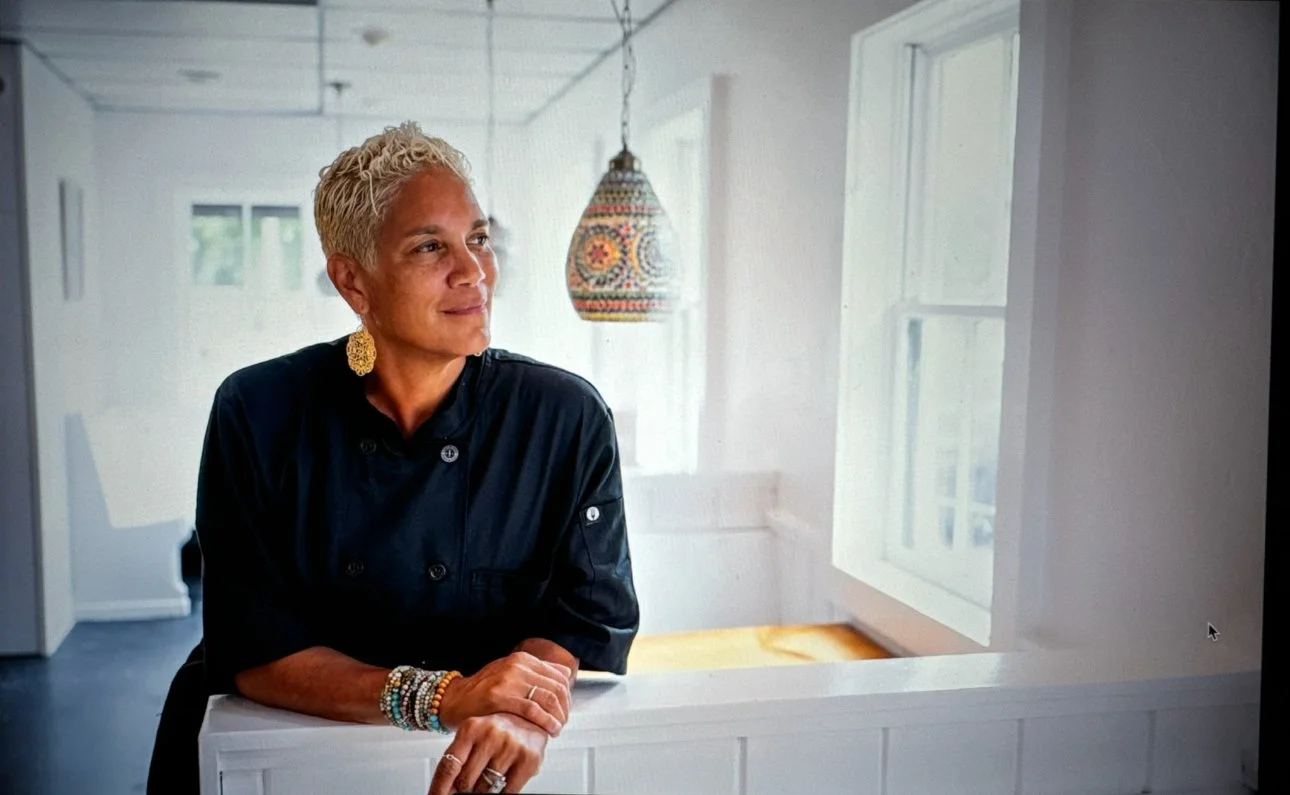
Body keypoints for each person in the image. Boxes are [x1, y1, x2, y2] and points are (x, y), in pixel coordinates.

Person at [147, 121, 640, 795]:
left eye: (478, 237)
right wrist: (444, 694)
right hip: (273, 753)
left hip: (463, 763)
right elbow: (253, 647)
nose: (474, 270)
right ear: (355, 281)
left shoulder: (564, 416)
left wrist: (524, 707)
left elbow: (588, 616)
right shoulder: (258, 411)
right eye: (429, 245)